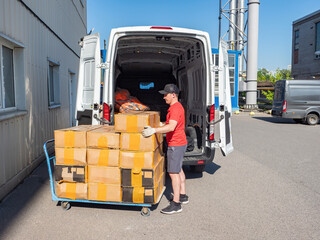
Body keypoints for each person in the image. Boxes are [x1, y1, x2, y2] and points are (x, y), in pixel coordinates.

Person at [142, 83, 188, 214]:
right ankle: (183, 195)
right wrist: (158, 124)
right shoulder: (176, 107)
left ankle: (176, 204)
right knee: (178, 169)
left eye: (166, 95)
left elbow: (171, 127)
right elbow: (170, 124)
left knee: (173, 173)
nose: (164, 98)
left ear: (173, 95)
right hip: (180, 142)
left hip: (176, 144)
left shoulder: (175, 109)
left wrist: (154, 130)